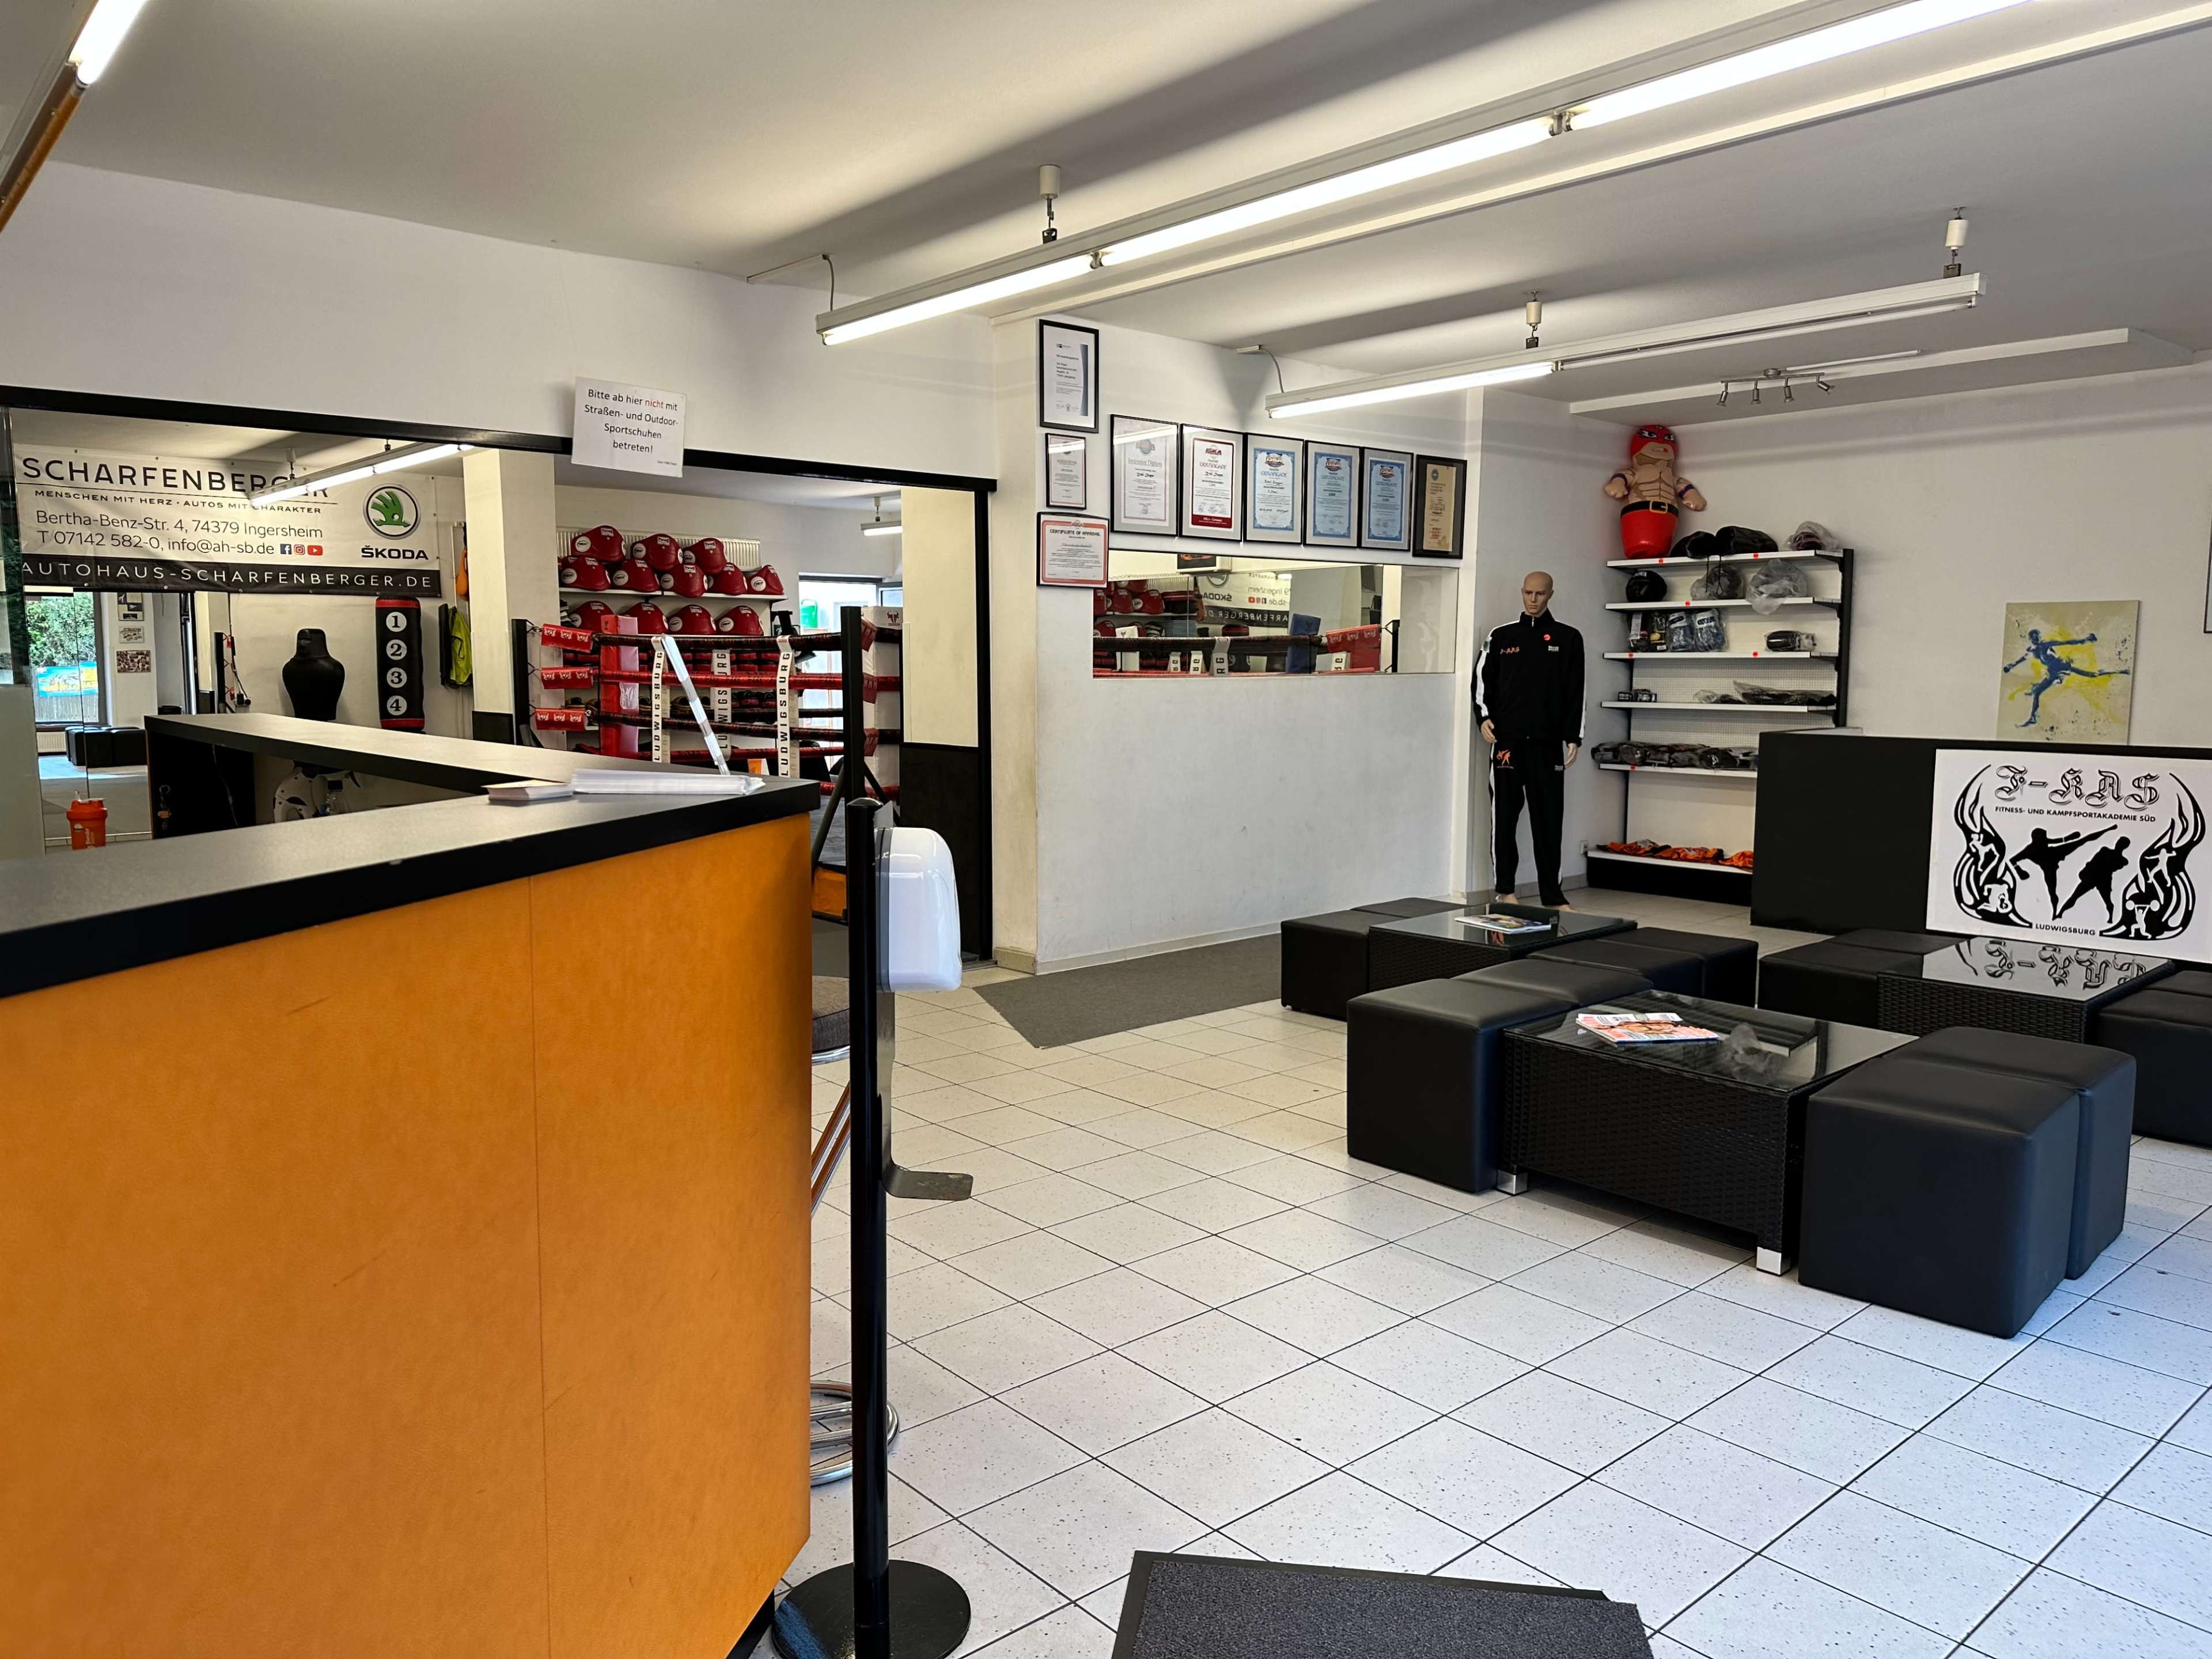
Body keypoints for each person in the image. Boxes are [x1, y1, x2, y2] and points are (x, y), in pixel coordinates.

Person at [1475, 570, 1584, 908]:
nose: (1533, 600)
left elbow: (1576, 691)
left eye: (1540, 594)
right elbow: (1482, 681)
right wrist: (1483, 717)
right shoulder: (1501, 636)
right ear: (1521, 593)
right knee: (1504, 819)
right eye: (1528, 593)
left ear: (1551, 594)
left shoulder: (1568, 638)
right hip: (1507, 745)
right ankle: (1505, 890)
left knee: (1548, 821)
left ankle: (1552, 894)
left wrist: (1573, 737)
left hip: (1547, 745)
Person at [2006, 824, 2112, 912]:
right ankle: (2055, 911)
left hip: (2054, 853)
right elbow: (2012, 860)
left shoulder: (2042, 841)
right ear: (2037, 839)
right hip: (2048, 866)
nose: (2045, 840)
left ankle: (2108, 829)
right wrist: (2020, 871)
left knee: (2083, 841)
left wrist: (2069, 838)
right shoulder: (2029, 850)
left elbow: (2055, 841)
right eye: (2043, 838)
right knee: (2052, 891)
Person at [2057, 836, 2131, 922]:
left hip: (2104, 880)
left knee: (2108, 902)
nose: (2118, 843)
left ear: (2124, 846)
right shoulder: (2105, 850)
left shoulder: (2123, 861)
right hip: (2092, 877)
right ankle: (2060, 913)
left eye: (2121, 842)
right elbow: (2093, 862)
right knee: (2074, 896)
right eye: (2118, 841)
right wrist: (2085, 871)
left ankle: (2111, 918)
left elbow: (2109, 867)